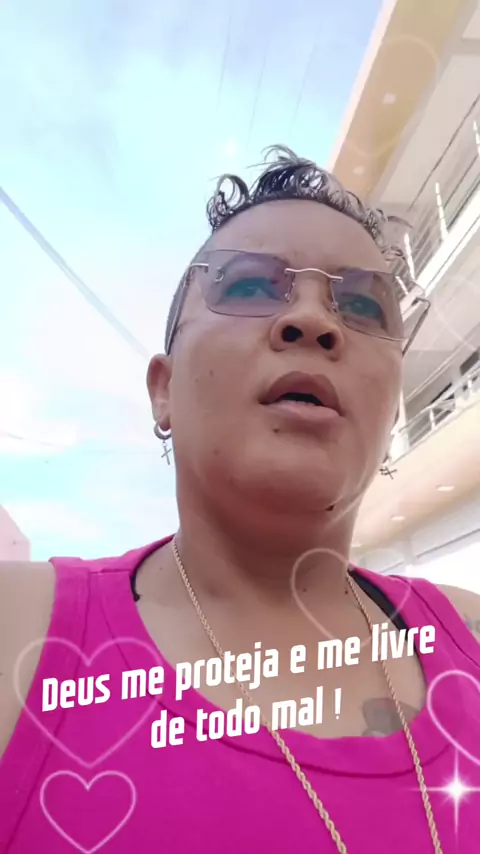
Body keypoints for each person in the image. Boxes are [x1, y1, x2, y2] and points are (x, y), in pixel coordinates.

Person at [0, 146, 479, 854]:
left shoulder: (471, 634)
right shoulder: (18, 634)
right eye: (252, 286)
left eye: (360, 304)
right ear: (163, 389)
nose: (314, 322)